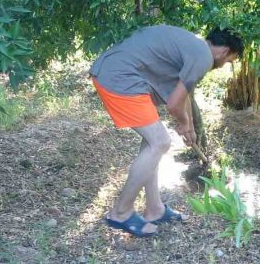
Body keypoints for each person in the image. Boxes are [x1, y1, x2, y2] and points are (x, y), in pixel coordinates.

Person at [89, 25, 243, 237]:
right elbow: (173, 104)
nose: (224, 65)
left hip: (119, 72)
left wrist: (189, 125)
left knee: (152, 143)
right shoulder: (203, 58)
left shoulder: (194, 46)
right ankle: (120, 213)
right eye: (229, 61)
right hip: (120, 77)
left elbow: (184, 93)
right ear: (224, 51)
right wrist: (184, 122)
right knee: (160, 142)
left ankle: (155, 209)